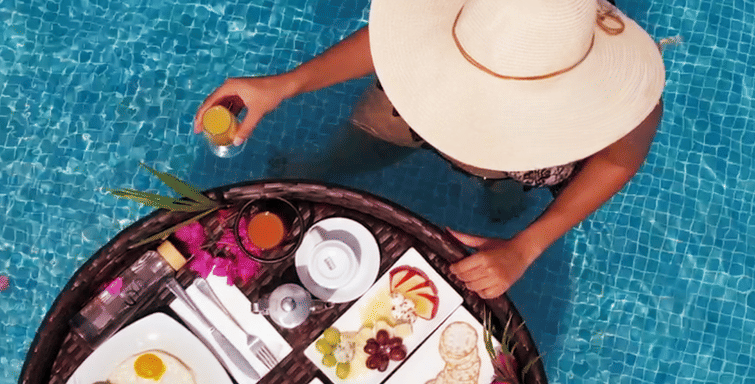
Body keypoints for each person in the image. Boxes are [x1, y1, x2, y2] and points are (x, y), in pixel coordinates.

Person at [195, 0, 665, 299]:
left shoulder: (617, 99)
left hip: (522, 167)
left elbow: (618, 158)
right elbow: (392, 42)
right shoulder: (489, 15)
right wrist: (287, 84)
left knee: (507, 196)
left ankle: (502, 193)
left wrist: (528, 246)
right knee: (349, 151)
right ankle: (324, 166)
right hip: (414, 111)